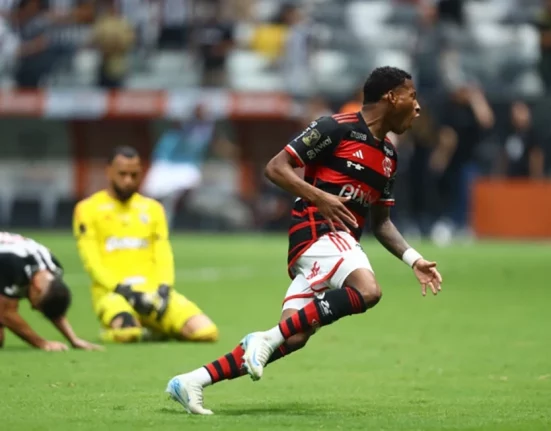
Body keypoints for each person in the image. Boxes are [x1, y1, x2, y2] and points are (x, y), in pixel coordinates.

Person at [166, 67, 443, 415]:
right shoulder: (335, 127)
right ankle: (263, 339)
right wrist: (321, 197)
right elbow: (276, 167)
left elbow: (382, 223)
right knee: (369, 291)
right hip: (316, 230)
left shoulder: (389, 156)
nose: (417, 107)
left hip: (336, 245)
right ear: (391, 97)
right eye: (412, 96)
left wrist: (413, 259)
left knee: (293, 335)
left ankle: (193, 381)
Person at [73, 146, 218, 344]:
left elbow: (163, 253)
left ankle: (155, 327)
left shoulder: (153, 209)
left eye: (134, 175)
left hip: (154, 294)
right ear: (108, 171)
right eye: (122, 174)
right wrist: (125, 290)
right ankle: (119, 330)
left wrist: (165, 288)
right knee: (127, 334)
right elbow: (92, 262)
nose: (128, 181)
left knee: (206, 332)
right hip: (114, 295)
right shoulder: (87, 209)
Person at [0, 231, 102, 351]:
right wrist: (41, 343)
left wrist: (73, 339)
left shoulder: (54, 269)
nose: (32, 307)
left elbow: (52, 306)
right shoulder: (12, 265)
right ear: (37, 287)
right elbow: (5, 313)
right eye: (36, 304)